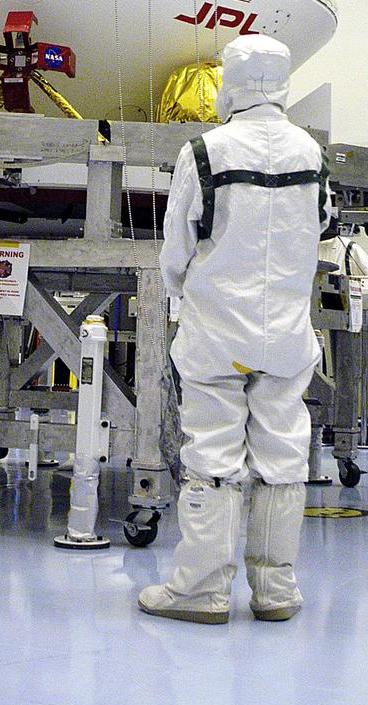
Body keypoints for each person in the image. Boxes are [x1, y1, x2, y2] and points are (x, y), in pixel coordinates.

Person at [139, 35, 328, 625]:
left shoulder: (204, 151)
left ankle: (200, 590)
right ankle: (276, 591)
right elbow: (320, 227)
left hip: (217, 331)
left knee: (213, 455)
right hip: (288, 334)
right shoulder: (311, 152)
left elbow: (177, 247)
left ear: (232, 82)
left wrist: (182, 293)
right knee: (283, 453)